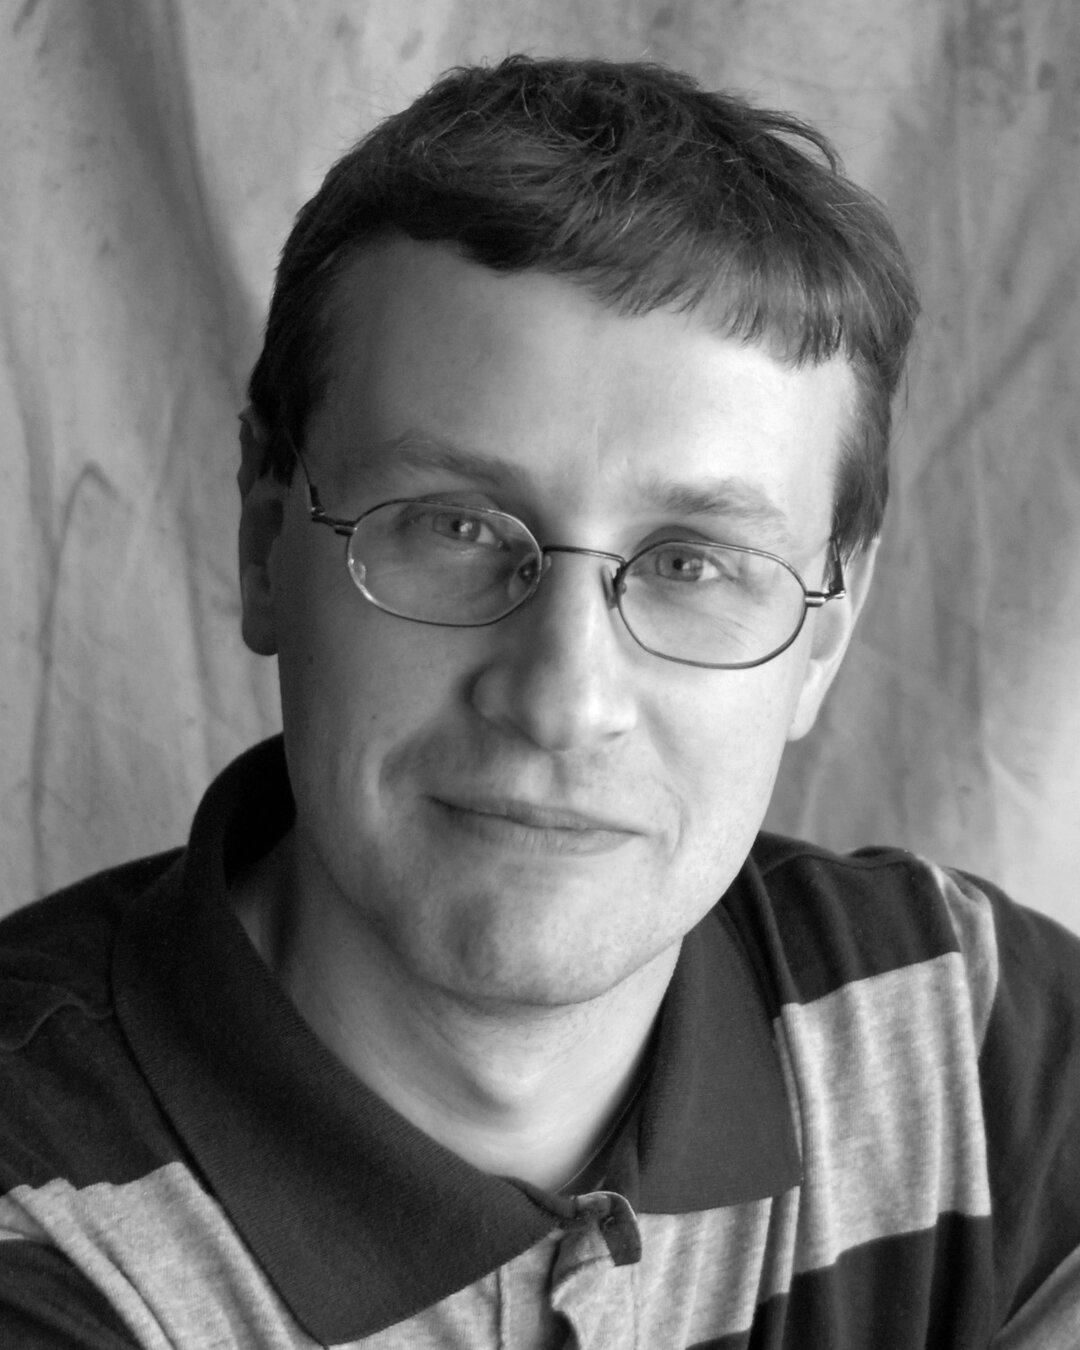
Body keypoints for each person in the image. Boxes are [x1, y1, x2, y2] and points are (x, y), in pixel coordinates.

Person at [1, 53, 1078, 1350]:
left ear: (824, 638)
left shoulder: (963, 1032)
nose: (563, 700)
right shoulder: (36, 1210)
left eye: (692, 563)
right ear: (262, 542)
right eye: (455, 525)